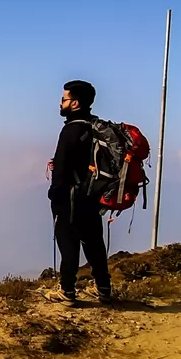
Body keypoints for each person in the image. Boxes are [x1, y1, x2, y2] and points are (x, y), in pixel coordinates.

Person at [48, 79, 113, 305]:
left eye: (64, 99)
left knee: (68, 241)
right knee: (94, 240)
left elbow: (64, 166)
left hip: (71, 196)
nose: (60, 103)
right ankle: (103, 288)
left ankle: (67, 291)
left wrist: (55, 194)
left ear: (75, 103)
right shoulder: (94, 126)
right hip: (92, 195)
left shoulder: (71, 130)